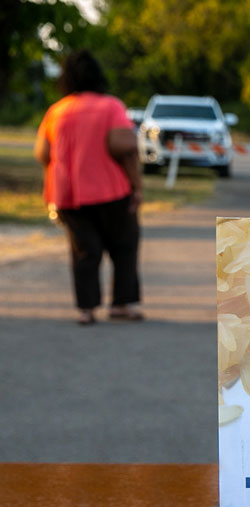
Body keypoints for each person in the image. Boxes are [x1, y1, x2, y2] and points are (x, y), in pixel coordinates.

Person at [35, 50, 144, 325]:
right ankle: (121, 304)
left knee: (84, 250)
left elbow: (43, 154)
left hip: (68, 194)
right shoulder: (111, 107)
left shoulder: (56, 110)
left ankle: (86, 309)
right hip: (111, 190)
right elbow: (126, 148)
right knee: (124, 245)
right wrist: (138, 187)